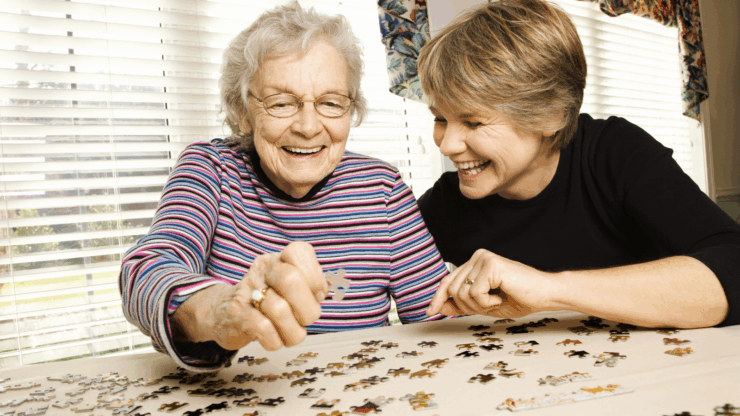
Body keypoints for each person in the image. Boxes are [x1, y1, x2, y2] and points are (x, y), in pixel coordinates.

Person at [119, 2, 448, 371]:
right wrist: (221, 310)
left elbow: (440, 320)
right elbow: (145, 271)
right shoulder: (209, 169)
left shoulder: (382, 190)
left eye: (330, 103)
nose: (308, 127)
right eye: (281, 103)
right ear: (243, 111)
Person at [417, 0, 740, 329]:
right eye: (441, 118)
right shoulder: (446, 203)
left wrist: (549, 290)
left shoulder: (615, 153)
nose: (447, 144)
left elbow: (734, 268)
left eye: (473, 123)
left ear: (550, 116)